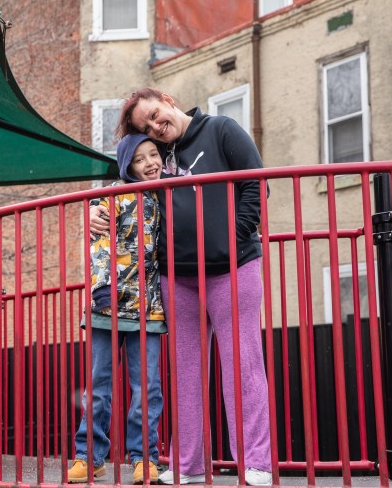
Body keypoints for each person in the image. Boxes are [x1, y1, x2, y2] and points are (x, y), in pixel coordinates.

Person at [90, 88, 272, 486]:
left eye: (155, 115)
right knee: (185, 373)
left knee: (243, 365)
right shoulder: (157, 157)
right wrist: (97, 213)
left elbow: (256, 187)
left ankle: (256, 462)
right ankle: (189, 465)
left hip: (233, 267)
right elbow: (124, 193)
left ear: (167, 101)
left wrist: (229, 238)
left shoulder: (221, 129)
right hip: (178, 277)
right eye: (146, 126)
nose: (155, 126)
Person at [68, 133, 168, 485]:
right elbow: (100, 244)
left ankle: (144, 458)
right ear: (128, 166)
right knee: (98, 385)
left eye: (154, 154)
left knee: (147, 387)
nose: (150, 163)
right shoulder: (115, 195)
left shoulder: (167, 196)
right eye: (140, 159)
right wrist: (102, 289)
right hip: (107, 306)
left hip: (148, 310)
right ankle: (89, 456)